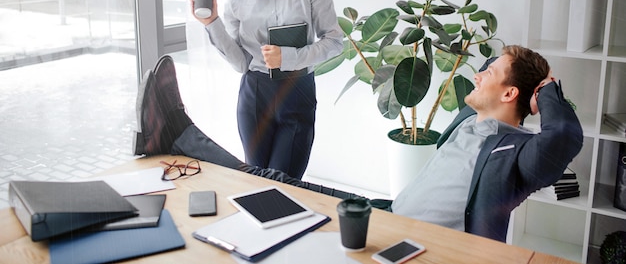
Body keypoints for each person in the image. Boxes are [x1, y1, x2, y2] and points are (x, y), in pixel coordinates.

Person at [133, 45, 583, 242]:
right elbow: (494, 84)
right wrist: (517, 74)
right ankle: (176, 132)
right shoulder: (473, 117)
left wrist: (547, 91)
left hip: (405, 236)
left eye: (492, 71)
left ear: (510, 95)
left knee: (270, 189)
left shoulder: (517, 153)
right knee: (275, 181)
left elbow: (563, 136)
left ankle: (175, 133)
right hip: (386, 211)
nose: (480, 72)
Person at [187, 0, 343, 179]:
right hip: (254, 95)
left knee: (285, 183)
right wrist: (211, 22)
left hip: (297, 91)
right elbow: (240, 63)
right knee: (255, 180)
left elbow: (335, 41)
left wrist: (288, 58)